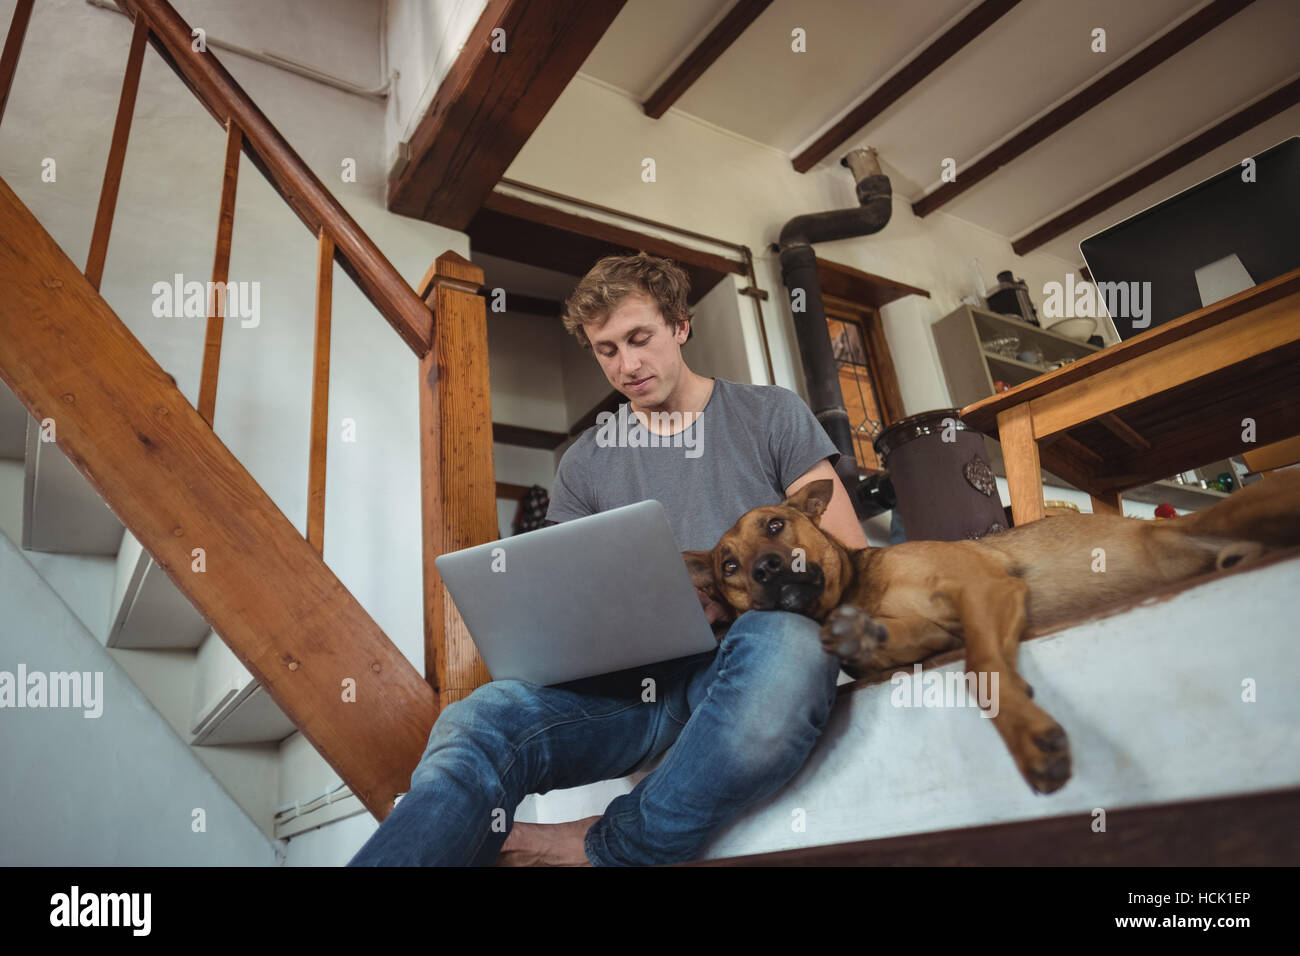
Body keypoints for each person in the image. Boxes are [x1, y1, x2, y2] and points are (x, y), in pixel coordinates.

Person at [348, 252, 867, 866]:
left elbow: (849, 560)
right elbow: (566, 596)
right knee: (478, 719)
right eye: (607, 350)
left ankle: (606, 844)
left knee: (788, 642)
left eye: (639, 338)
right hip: (624, 696)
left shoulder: (770, 414)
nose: (628, 365)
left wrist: (733, 601)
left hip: (741, 665)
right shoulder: (585, 463)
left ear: (680, 324)